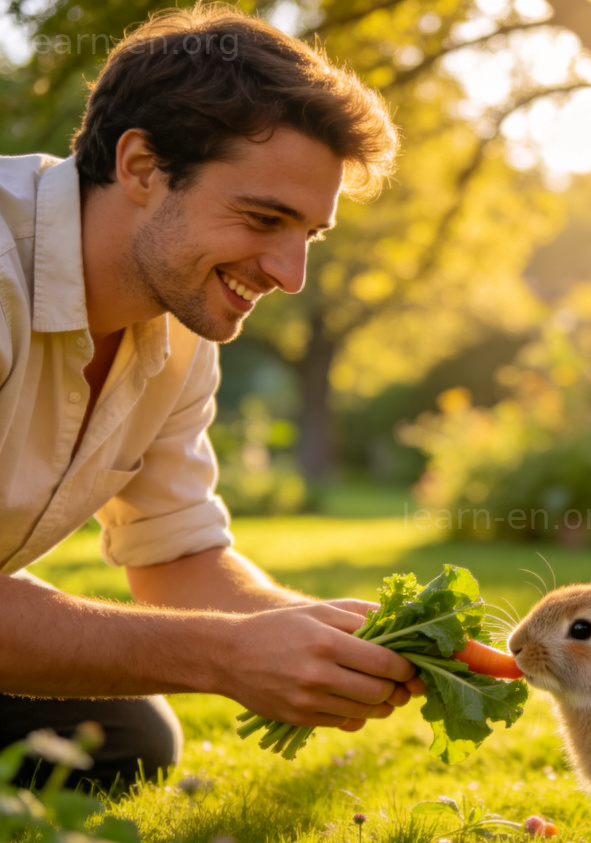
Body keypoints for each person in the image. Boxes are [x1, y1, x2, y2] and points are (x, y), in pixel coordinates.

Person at [0, 4, 424, 790]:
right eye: (264, 218)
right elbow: (203, 636)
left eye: (308, 234)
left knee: (125, 739)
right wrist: (220, 655)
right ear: (140, 168)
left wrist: (327, 636)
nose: (290, 275)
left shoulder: (180, 325)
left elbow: (177, 553)